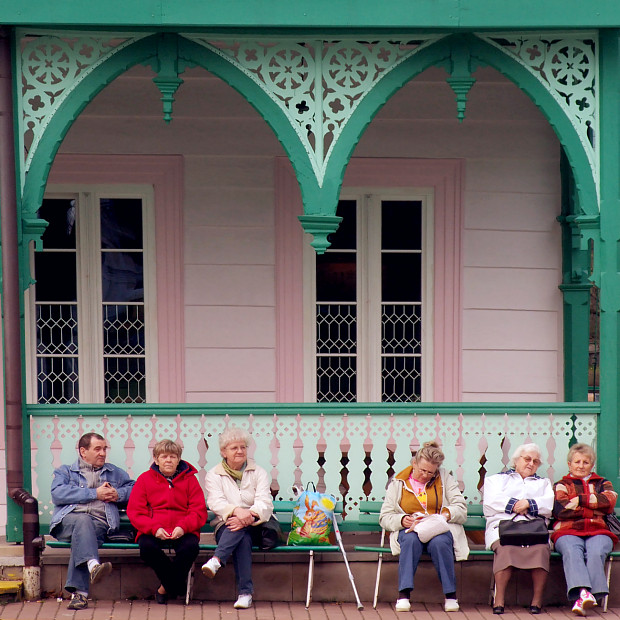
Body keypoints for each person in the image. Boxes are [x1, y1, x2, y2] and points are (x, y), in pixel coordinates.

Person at [379, 441, 469, 613]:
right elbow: (385, 517)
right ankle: (403, 595)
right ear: (414, 463)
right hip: (410, 529)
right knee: (411, 540)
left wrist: (443, 515)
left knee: (440, 543)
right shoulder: (398, 482)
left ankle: (450, 596)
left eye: (430, 472)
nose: (426, 475)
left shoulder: (445, 478)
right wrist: (402, 519)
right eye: (422, 470)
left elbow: (461, 508)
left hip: (439, 528)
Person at [50, 432, 134, 611]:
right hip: (68, 520)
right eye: (97, 449)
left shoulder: (114, 472)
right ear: (83, 451)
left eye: (104, 449)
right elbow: (58, 494)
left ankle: (80, 594)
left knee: (83, 537)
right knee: (83, 520)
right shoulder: (65, 471)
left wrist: (118, 494)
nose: (103, 453)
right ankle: (93, 566)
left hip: (100, 525)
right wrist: (95, 493)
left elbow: (135, 489)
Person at [201, 426, 274, 610]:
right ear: (223, 452)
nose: (240, 451)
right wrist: (236, 512)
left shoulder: (259, 472)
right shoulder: (214, 474)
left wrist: (250, 515)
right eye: (234, 448)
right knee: (242, 537)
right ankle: (245, 594)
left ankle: (217, 560)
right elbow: (216, 503)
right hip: (227, 524)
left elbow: (265, 501)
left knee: (243, 532)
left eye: (243, 447)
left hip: (257, 524)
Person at [127, 439, 208, 604]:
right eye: (164, 456)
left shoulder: (190, 480)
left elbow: (198, 510)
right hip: (153, 529)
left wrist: (183, 527)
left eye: (173, 456)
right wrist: (154, 528)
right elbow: (136, 511)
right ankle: (176, 586)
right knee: (147, 548)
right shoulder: (144, 479)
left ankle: (165, 588)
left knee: (190, 548)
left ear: (179, 459)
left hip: (183, 528)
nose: (168, 460)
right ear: (156, 459)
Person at [482, 443, 554, 615]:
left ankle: (537, 601)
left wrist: (529, 503)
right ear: (516, 460)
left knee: (541, 549)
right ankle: (499, 599)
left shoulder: (543, 483)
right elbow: (490, 503)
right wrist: (515, 505)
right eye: (527, 459)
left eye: (535, 461)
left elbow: (549, 506)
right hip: (503, 528)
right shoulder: (496, 479)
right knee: (506, 548)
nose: (531, 464)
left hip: (533, 530)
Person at [552, 443, 618, 616]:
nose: (581, 466)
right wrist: (594, 507)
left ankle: (586, 595)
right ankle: (584, 593)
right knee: (571, 550)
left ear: (592, 464)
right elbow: (561, 510)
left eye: (586, 462)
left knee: (596, 551)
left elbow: (609, 502)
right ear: (569, 464)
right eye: (577, 462)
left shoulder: (603, 483)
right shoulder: (562, 485)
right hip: (568, 531)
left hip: (599, 530)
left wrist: (577, 500)